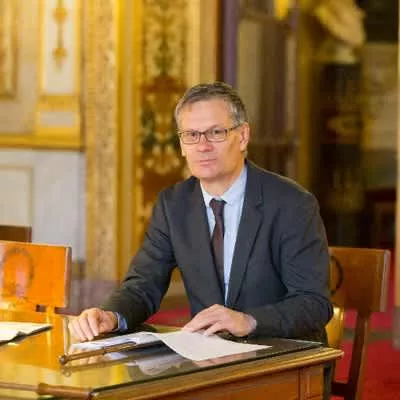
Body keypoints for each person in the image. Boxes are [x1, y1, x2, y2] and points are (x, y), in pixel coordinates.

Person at [69, 81, 332, 345]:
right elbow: (143, 284)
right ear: (182, 145)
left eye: (216, 133)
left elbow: (314, 303)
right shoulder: (174, 204)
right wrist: (111, 315)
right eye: (191, 135)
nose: (202, 146)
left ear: (243, 137)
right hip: (209, 355)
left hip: (282, 353)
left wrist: (249, 321)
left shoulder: (292, 204)